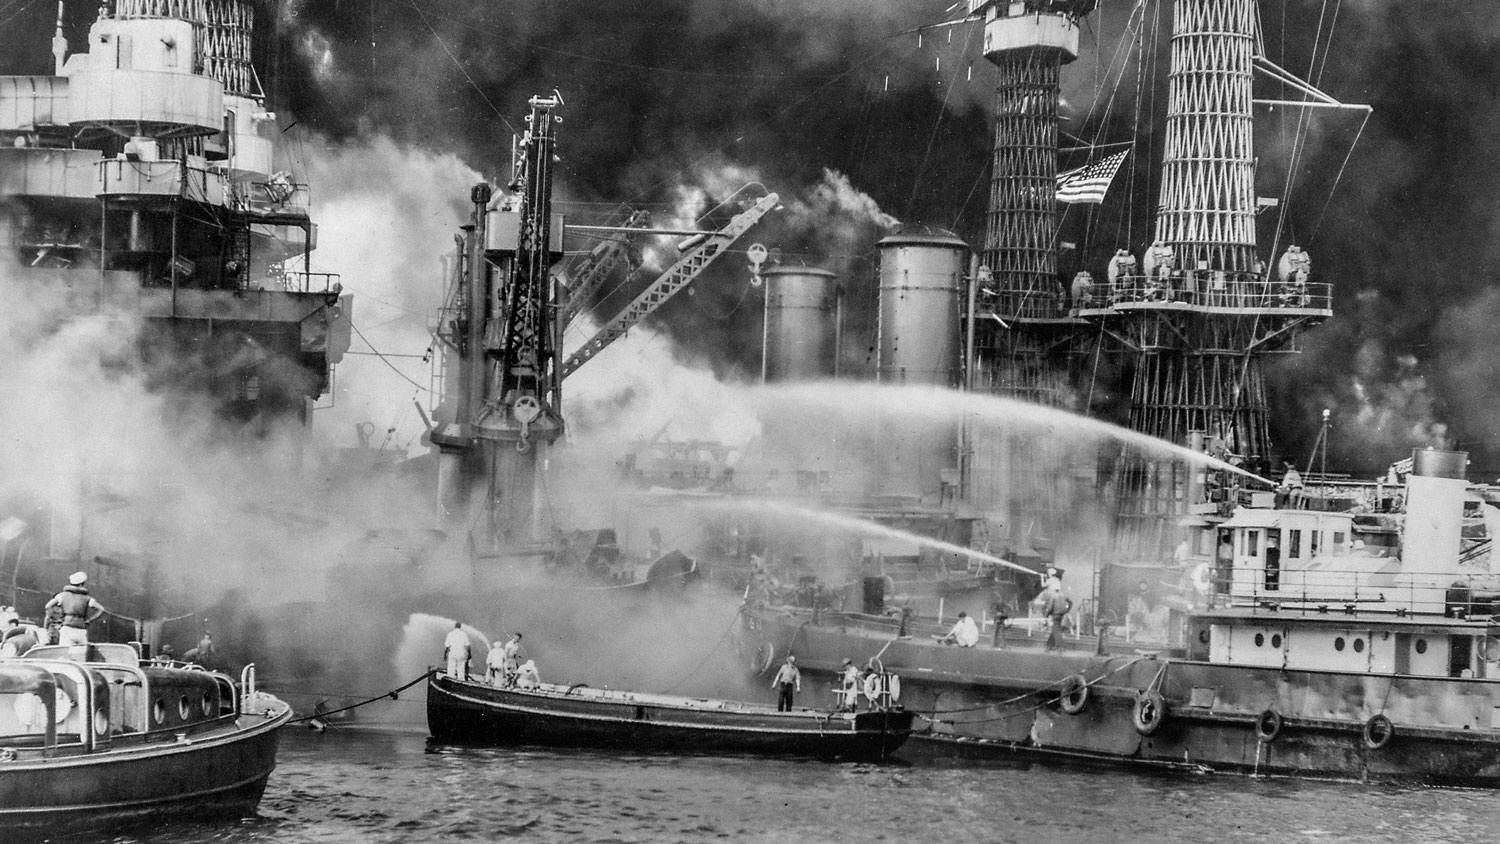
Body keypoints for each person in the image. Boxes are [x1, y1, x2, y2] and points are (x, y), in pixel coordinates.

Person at [43, 571, 106, 646]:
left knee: (65, 652)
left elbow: (48, 606)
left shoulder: (62, 595)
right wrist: (89, 620)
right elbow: (101, 609)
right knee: (82, 654)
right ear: (81, 584)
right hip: (81, 630)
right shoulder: (87, 598)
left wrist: (55, 617)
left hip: (67, 628)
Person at [1035, 574, 1072, 651]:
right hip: (1061, 614)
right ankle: (1049, 645)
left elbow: (1050, 607)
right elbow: (1070, 603)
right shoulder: (1063, 595)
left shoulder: (1053, 596)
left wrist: (1046, 615)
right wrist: (1067, 609)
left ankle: (1061, 646)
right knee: (1055, 628)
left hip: (1055, 614)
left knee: (1056, 630)